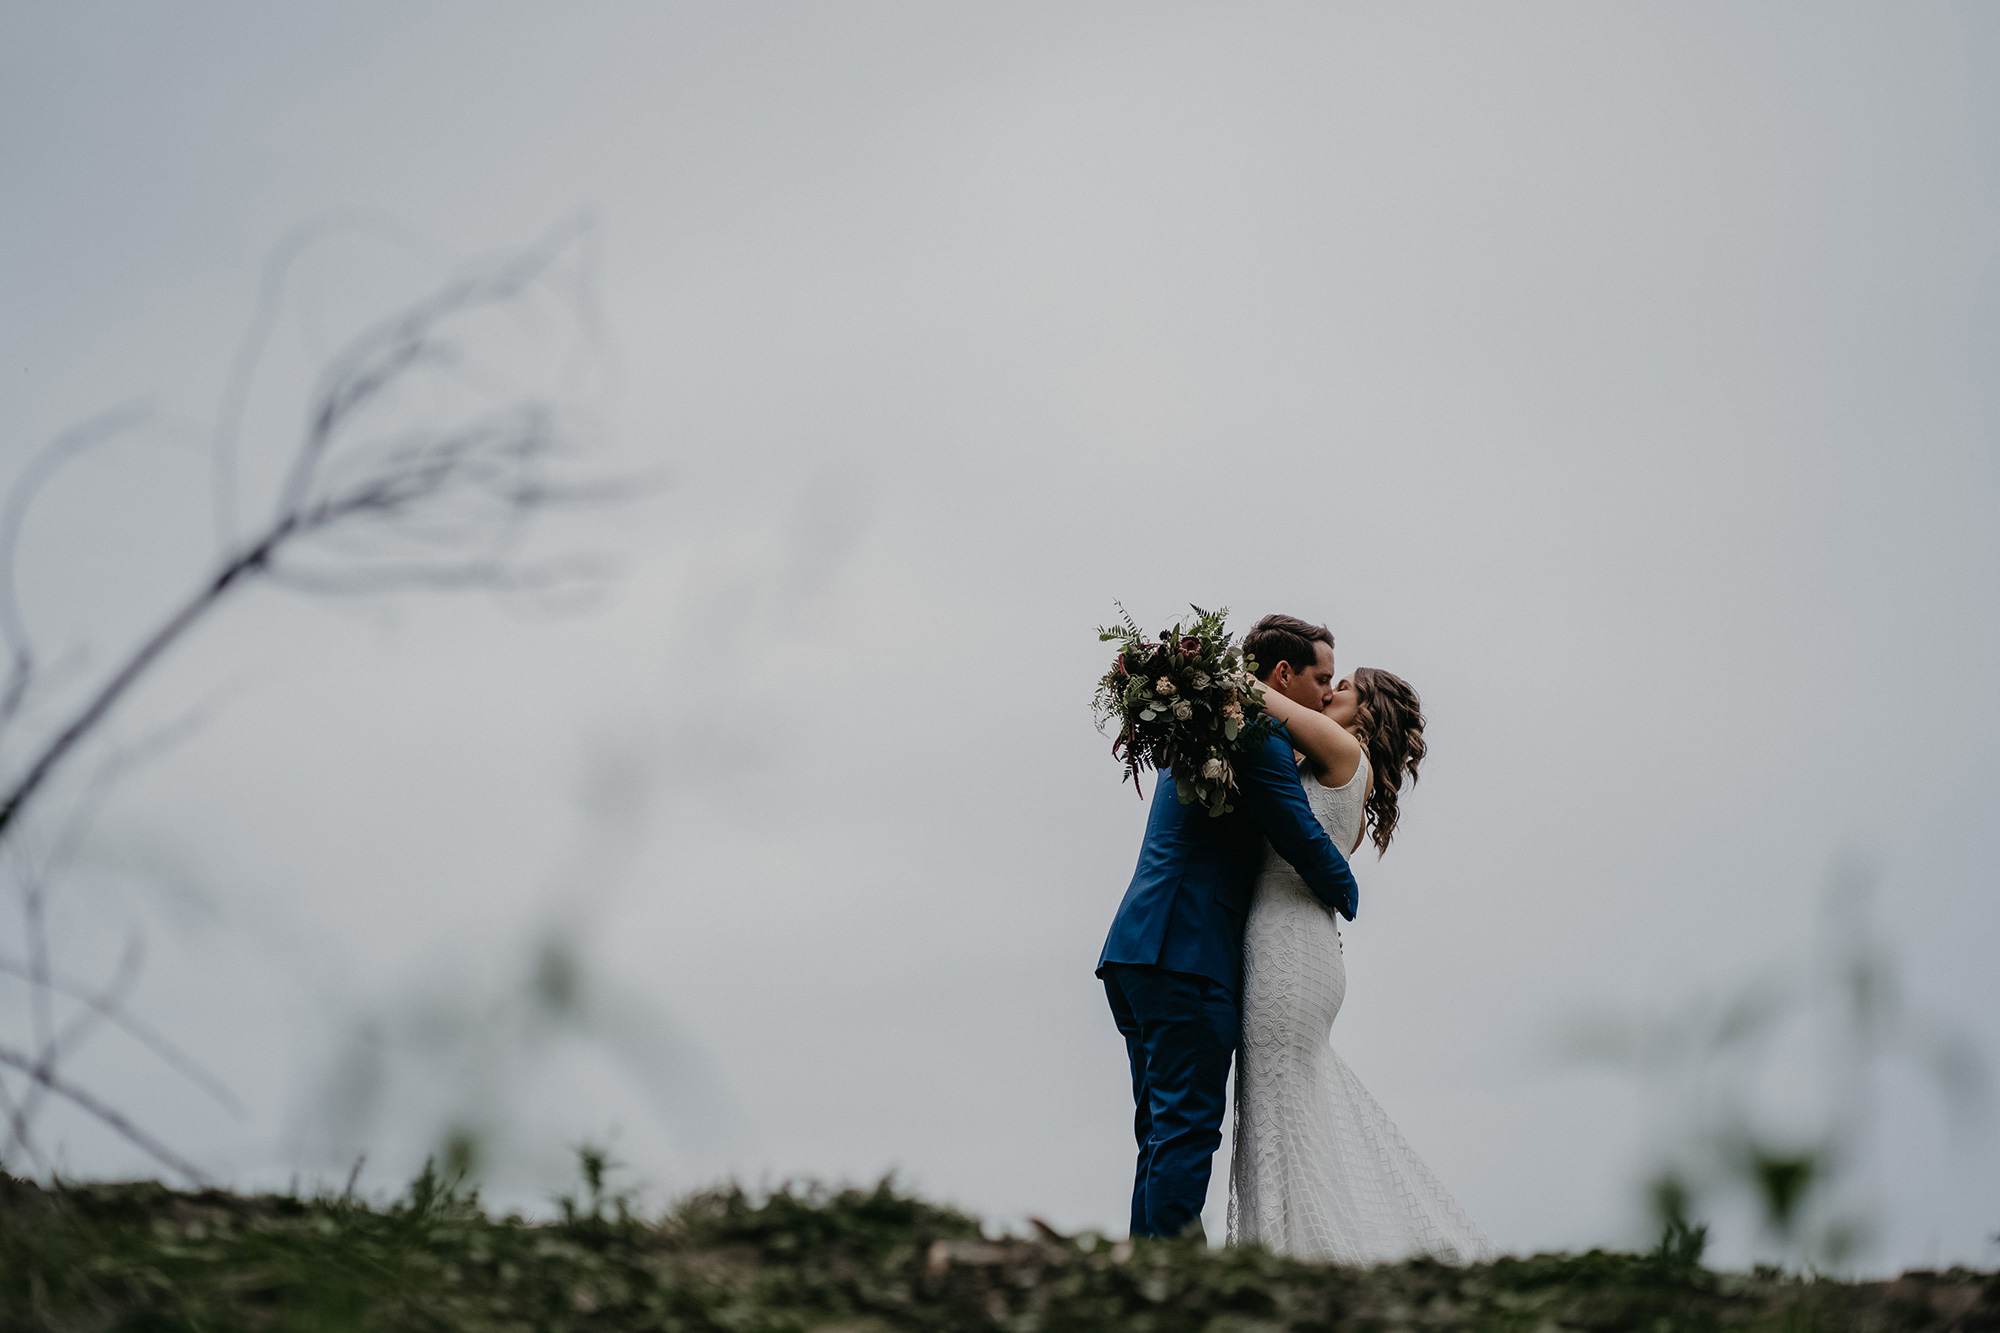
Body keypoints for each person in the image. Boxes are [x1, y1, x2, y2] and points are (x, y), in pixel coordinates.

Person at [1097, 613, 1359, 1240]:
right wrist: (1348, 895)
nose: (1327, 695)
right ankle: (1172, 1292)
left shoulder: (1218, 725)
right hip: (1187, 954)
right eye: (1321, 680)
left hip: (1137, 948)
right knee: (1186, 1132)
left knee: (1159, 1134)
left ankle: (1141, 1286)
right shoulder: (1257, 735)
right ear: (1281, 675)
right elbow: (1302, 836)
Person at [1230, 664, 1495, 1262]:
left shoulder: (1344, 750)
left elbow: (1254, 694)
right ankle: (1292, 1254)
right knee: (1283, 1112)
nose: (1328, 693)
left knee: (1274, 1112)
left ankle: (1286, 1259)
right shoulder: (1336, 763)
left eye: (1342, 687)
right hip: (1297, 941)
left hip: (1289, 947)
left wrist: (1205, 663)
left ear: (1367, 712)